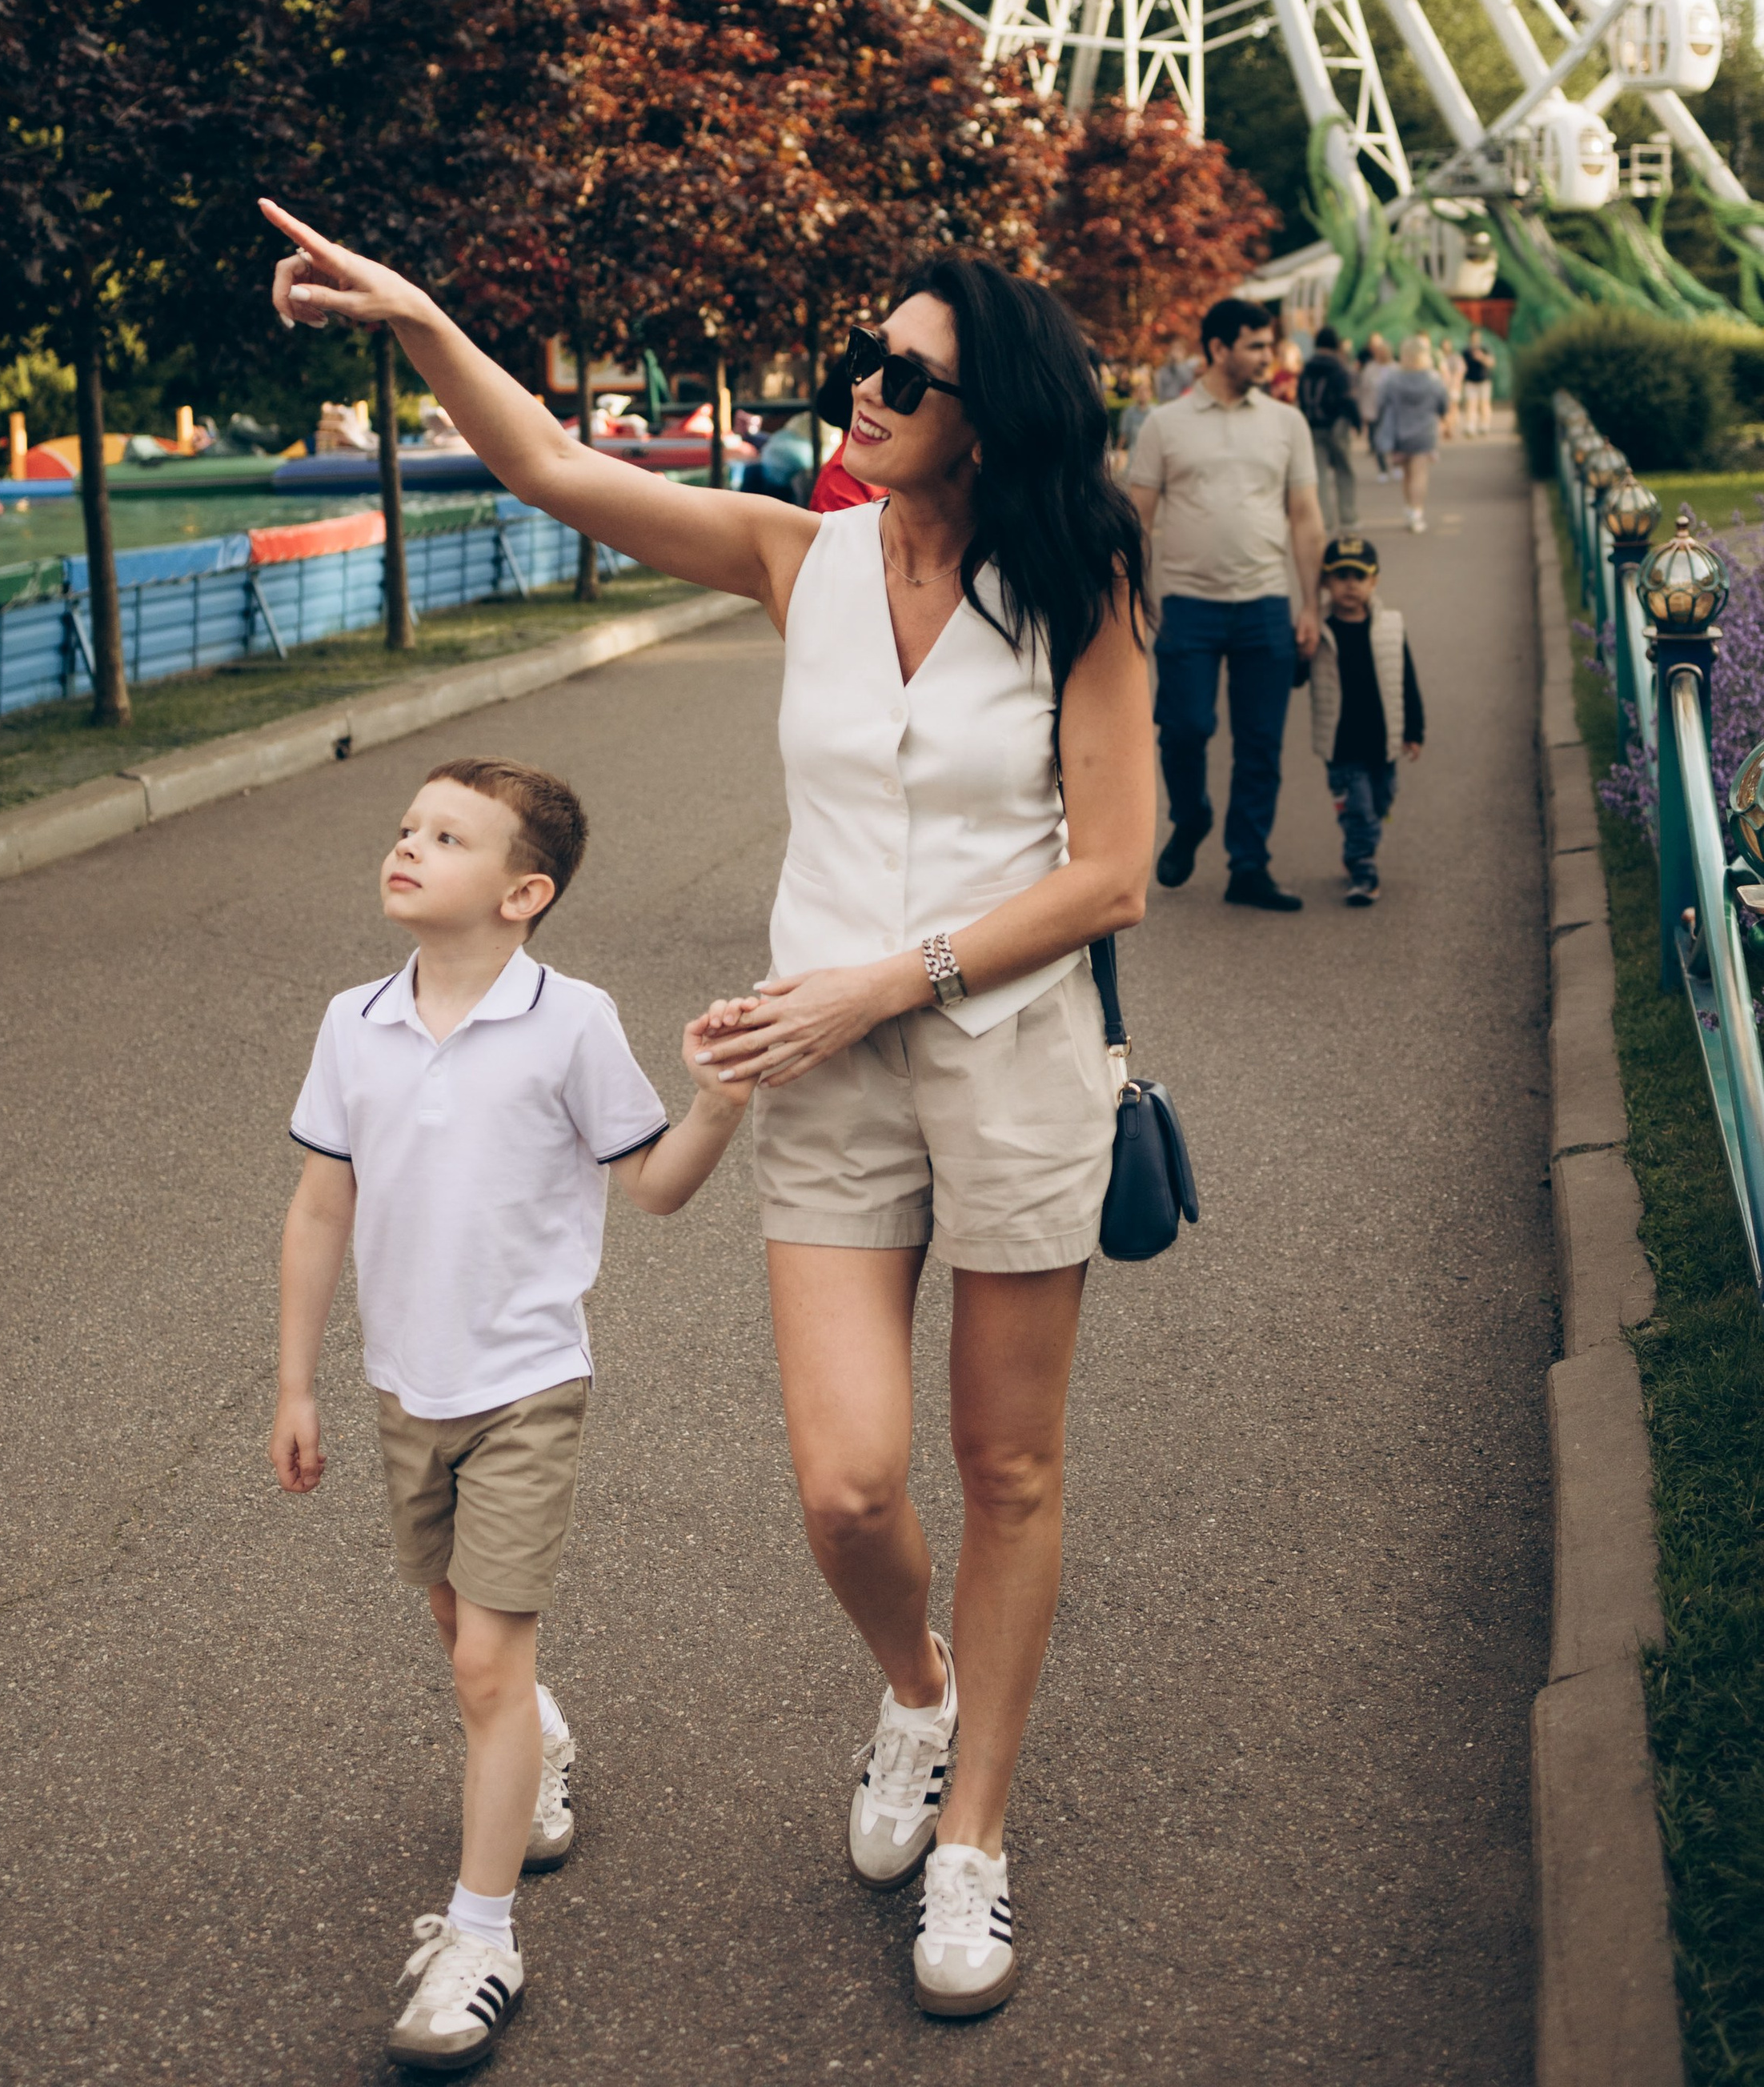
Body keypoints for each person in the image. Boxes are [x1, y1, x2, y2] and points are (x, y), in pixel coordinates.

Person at [263, 199, 1154, 2025]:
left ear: (990, 415)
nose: (863, 386)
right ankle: (916, 1689)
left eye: (905, 373)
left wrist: (883, 979)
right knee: (846, 1483)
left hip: (1004, 1053)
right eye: (860, 358)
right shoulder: (791, 555)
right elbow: (550, 463)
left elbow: (1113, 874)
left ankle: (974, 1833)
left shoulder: (1079, 580)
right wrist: (421, 316)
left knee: (1006, 1467)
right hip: (819, 1067)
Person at [271, 755, 748, 2073]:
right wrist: (297, 1382)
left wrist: (718, 1105)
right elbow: (320, 1206)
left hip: (528, 1382)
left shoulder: (571, 1020)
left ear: (522, 893)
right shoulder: (354, 1022)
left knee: (485, 1662)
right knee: (458, 1633)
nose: (408, 846)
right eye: (408, 827)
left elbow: (653, 1186)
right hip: (402, 1386)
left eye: (449, 837)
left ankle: (482, 1942)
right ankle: (536, 1740)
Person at [1125, 295, 1325, 913]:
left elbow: (1306, 517)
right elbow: (1137, 519)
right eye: (1256, 346)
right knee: (1184, 729)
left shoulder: (1287, 423)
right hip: (1188, 606)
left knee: (1261, 745)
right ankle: (1191, 817)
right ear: (1217, 349)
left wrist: (1311, 605)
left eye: (1269, 345)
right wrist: (1134, 598)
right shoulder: (1165, 425)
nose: (1269, 356)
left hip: (1265, 603)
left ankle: (1249, 865)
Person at [1294, 537, 1425, 906]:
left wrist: (1414, 731)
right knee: (1361, 810)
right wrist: (1302, 653)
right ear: (1325, 582)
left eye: (1359, 576)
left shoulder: (1391, 626)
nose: (1350, 585)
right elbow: (1295, 678)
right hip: (1342, 747)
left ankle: (1358, 843)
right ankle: (1363, 868)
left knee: (1382, 799)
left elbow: (1406, 680)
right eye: (1341, 576)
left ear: (1374, 581)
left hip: (1383, 742)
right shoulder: (1318, 628)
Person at [1376, 333, 1451, 532]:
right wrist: (1444, 419)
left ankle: (1409, 508)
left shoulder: (1393, 378)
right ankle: (1417, 512)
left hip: (1400, 432)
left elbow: (1381, 401)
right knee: (1420, 474)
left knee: (1407, 474)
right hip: (1425, 433)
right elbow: (1443, 403)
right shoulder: (1433, 379)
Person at [1295, 327, 1361, 531]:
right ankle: (1348, 517)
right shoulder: (1339, 368)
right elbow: (1348, 398)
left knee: (1319, 475)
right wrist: (1356, 422)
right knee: (1344, 471)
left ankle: (1324, 520)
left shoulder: (1307, 368)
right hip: (1337, 426)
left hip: (1313, 426)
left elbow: (1300, 397)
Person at [1461, 333, 1496, 438]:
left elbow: (1492, 363)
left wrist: (1482, 358)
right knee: (1470, 405)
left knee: (1484, 404)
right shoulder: (1466, 351)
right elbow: (1462, 366)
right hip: (1470, 382)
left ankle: (1484, 426)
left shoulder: (1485, 349)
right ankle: (1470, 427)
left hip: (1484, 381)